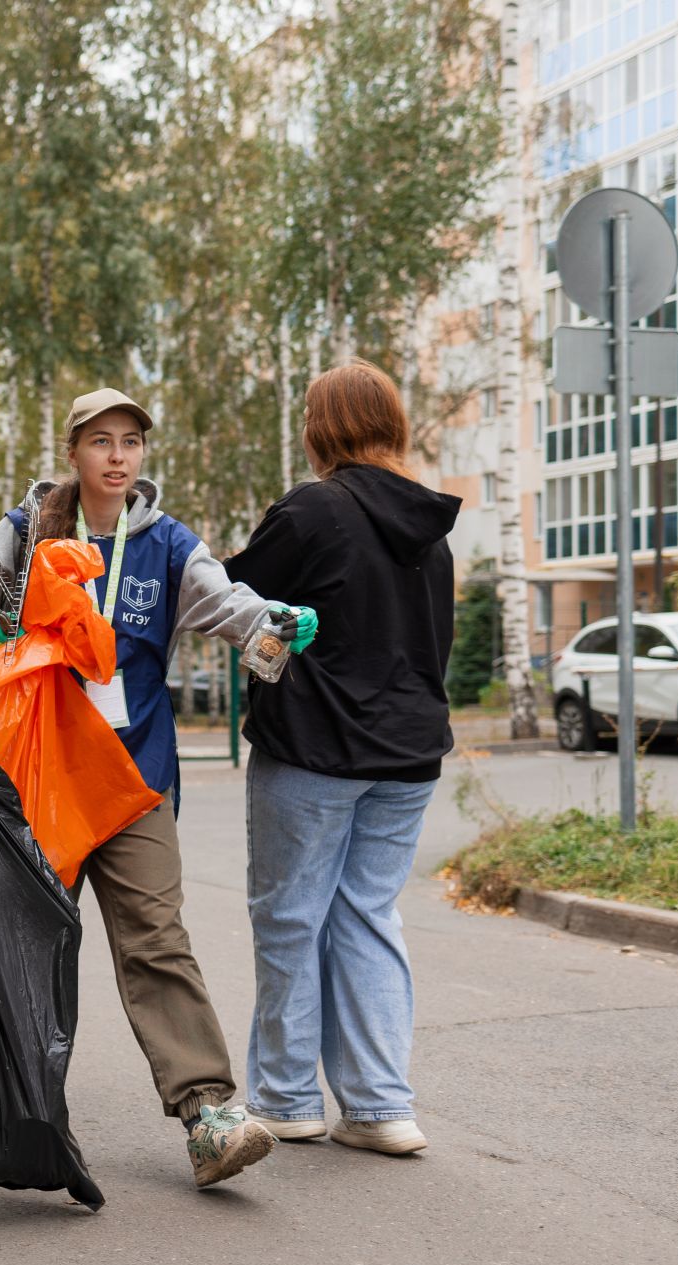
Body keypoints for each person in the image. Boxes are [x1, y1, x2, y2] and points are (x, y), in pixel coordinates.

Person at [0, 387, 318, 1189]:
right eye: (101, 441)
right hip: (38, 778)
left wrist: (273, 619)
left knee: (156, 937)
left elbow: (226, 601)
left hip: (135, 778)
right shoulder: (26, 531)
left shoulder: (169, 544)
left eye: (131, 442)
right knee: (28, 940)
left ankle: (209, 1114)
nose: (117, 455)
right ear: (72, 451)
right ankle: (13, 1114)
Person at [222, 360, 460, 1156]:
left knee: (290, 919)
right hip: (409, 754)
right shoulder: (431, 530)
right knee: (367, 917)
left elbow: (229, 596)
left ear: (319, 428)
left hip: (316, 750)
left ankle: (289, 1099)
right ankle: (382, 1106)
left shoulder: (314, 509)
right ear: (392, 422)